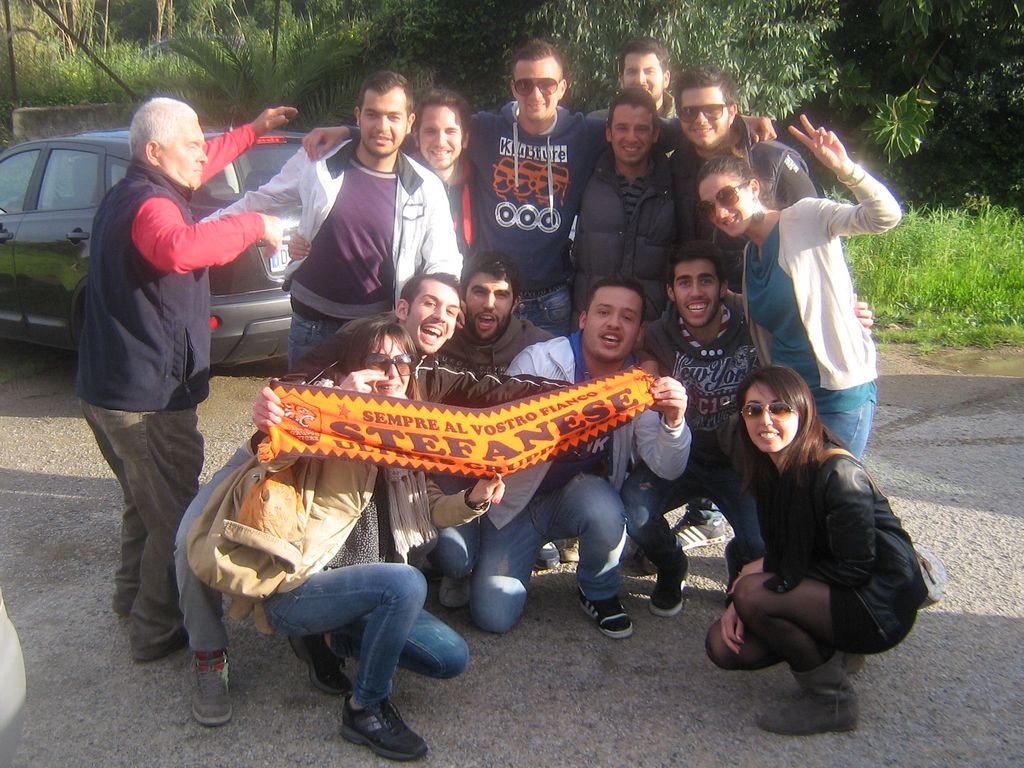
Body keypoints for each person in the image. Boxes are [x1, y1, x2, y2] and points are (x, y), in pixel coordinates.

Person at [191, 316, 488, 759]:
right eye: (378, 360)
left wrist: (473, 499)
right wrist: (338, 404)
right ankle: (365, 708)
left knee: (450, 658)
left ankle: (330, 638)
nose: (392, 373)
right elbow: (276, 453)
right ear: (354, 368)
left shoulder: (411, 436)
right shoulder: (323, 421)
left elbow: (429, 507)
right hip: (299, 589)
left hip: (363, 590)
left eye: (403, 363)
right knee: (407, 584)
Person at [76, 96, 293, 662]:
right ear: (155, 152)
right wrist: (256, 224)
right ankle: (155, 631)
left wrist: (250, 131)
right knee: (176, 518)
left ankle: (129, 600)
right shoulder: (152, 206)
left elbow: (202, 158)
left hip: (107, 390)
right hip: (146, 402)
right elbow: (179, 250)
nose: (204, 154)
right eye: (192, 144)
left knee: (142, 502)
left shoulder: (131, 188)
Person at [431, 277, 691, 637]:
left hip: (576, 495)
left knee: (605, 509)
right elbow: (499, 442)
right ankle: (478, 559)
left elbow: (667, 467)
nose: (614, 323)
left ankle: (598, 591)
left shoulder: (640, 384)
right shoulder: (541, 360)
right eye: (604, 312)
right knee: (493, 617)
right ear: (583, 319)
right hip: (516, 504)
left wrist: (674, 421)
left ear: (639, 332)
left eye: (627, 317)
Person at [706, 365, 926, 735]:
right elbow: (785, 549)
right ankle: (834, 652)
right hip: (833, 588)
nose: (765, 420)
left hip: (878, 603)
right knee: (725, 647)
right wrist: (745, 593)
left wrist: (757, 583)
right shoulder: (769, 465)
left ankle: (832, 701)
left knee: (753, 594)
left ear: (803, 412)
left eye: (779, 408)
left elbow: (855, 567)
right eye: (753, 409)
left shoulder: (837, 473)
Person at [213, 71, 462, 365]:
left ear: (409, 123)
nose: (382, 126)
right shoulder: (318, 161)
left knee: (366, 399)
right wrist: (202, 231)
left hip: (376, 333)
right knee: (303, 398)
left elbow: (443, 262)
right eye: (373, 114)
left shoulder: (425, 186)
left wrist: (440, 311)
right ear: (358, 116)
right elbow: (263, 199)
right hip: (311, 327)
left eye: (393, 117)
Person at [696, 115, 901, 456]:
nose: (720, 211)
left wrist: (846, 169)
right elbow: (771, 308)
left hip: (837, 394)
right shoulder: (750, 254)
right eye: (708, 207)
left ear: (754, 188)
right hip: (787, 400)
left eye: (727, 195)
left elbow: (884, 217)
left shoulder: (805, 217)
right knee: (794, 487)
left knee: (834, 483)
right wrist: (722, 297)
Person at [621, 242, 764, 611]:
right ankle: (671, 566)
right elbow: (615, 339)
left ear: (723, 287)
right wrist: (646, 366)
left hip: (738, 464)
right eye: (684, 282)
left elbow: (803, 322)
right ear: (671, 292)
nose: (695, 292)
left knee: (762, 540)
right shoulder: (656, 334)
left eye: (706, 281)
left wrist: (851, 314)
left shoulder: (753, 327)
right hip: (681, 459)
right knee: (633, 511)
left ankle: (741, 562)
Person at [671, 66, 817, 286]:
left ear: (732, 112)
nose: (700, 119)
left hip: (776, 294)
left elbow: (818, 230)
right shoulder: (676, 166)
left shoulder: (772, 159)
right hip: (706, 298)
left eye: (712, 110)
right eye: (689, 111)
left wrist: (840, 295)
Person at [572, 87, 675, 321]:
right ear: (608, 133)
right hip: (591, 322)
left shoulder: (673, 184)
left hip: (652, 325)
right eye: (622, 128)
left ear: (655, 134)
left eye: (641, 129)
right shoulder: (586, 175)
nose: (631, 137)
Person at [435, 251, 551, 377]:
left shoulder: (540, 348)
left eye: (501, 295)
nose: (489, 304)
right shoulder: (438, 333)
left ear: (515, 304)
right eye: (479, 292)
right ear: (462, 295)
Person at [589, 37, 675, 119]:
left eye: (649, 71)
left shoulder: (680, 126)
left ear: (666, 79)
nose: (640, 80)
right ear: (621, 80)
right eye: (632, 72)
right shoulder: (596, 123)